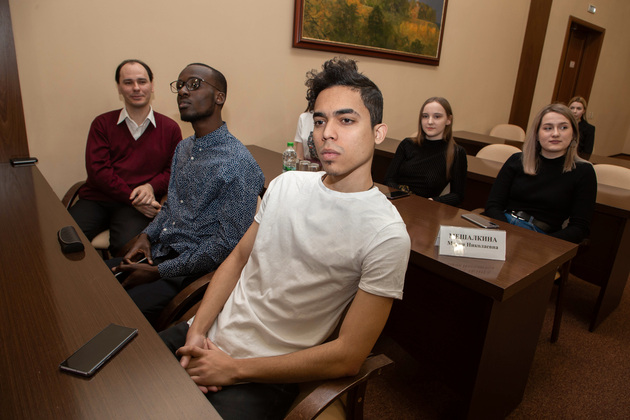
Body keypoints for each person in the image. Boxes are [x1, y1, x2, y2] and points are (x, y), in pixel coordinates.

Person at [159, 57, 411, 420]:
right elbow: (238, 259)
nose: (327, 133)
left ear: (378, 133)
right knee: (118, 376)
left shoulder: (386, 234)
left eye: (346, 120)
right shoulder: (286, 184)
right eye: (320, 121)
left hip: (264, 374)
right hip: (207, 335)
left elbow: (349, 355)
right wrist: (196, 330)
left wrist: (233, 369)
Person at [111, 63, 265, 323]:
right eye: (180, 85)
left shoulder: (239, 164)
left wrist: (160, 271)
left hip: (190, 273)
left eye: (194, 85)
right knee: (94, 282)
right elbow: (171, 207)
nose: (183, 91)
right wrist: (146, 236)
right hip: (160, 252)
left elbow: (225, 246)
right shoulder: (184, 148)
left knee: (114, 312)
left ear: (219, 97)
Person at [69, 59, 182, 256]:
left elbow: (172, 171)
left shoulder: (170, 128)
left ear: (152, 86)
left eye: (142, 81)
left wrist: (150, 187)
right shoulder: (102, 123)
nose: (136, 88)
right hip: (98, 199)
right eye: (128, 82)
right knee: (67, 239)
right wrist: (133, 198)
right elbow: (98, 171)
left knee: (129, 250)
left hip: (139, 206)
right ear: (119, 88)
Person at [485, 103, 597, 244]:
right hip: (502, 226)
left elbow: (579, 228)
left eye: (563, 127)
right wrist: (506, 234)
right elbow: (493, 206)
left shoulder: (583, 171)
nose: (555, 133)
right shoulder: (517, 160)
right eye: (548, 128)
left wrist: (542, 243)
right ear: (537, 134)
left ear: (574, 133)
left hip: (540, 237)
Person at [384, 97, 467, 206]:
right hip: (396, 202)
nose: (430, 122)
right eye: (425, 116)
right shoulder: (407, 144)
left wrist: (433, 201)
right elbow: (389, 179)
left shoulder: (457, 153)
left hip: (424, 208)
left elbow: (458, 195)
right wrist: (403, 196)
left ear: (448, 120)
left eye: (437, 116)